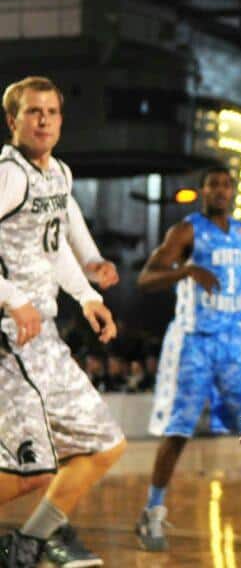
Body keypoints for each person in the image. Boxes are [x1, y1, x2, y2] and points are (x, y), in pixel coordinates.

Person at [134, 165, 241, 552]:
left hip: (233, 339)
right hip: (193, 340)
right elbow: (146, 278)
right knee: (177, 433)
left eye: (226, 185)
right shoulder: (186, 231)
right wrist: (187, 270)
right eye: (213, 185)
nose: (220, 191)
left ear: (233, 192)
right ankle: (152, 513)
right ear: (202, 192)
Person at [0, 76, 123, 567]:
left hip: (40, 336)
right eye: (33, 112)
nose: (44, 119)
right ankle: (31, 544)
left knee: (104, 446)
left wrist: (88, 293)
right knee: (32, 468)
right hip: (11, 338)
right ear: (13, 121)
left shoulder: (56, 174)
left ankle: (29, 544)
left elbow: (57, 244)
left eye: (51, 111)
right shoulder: (9, 174)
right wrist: (11, 298)